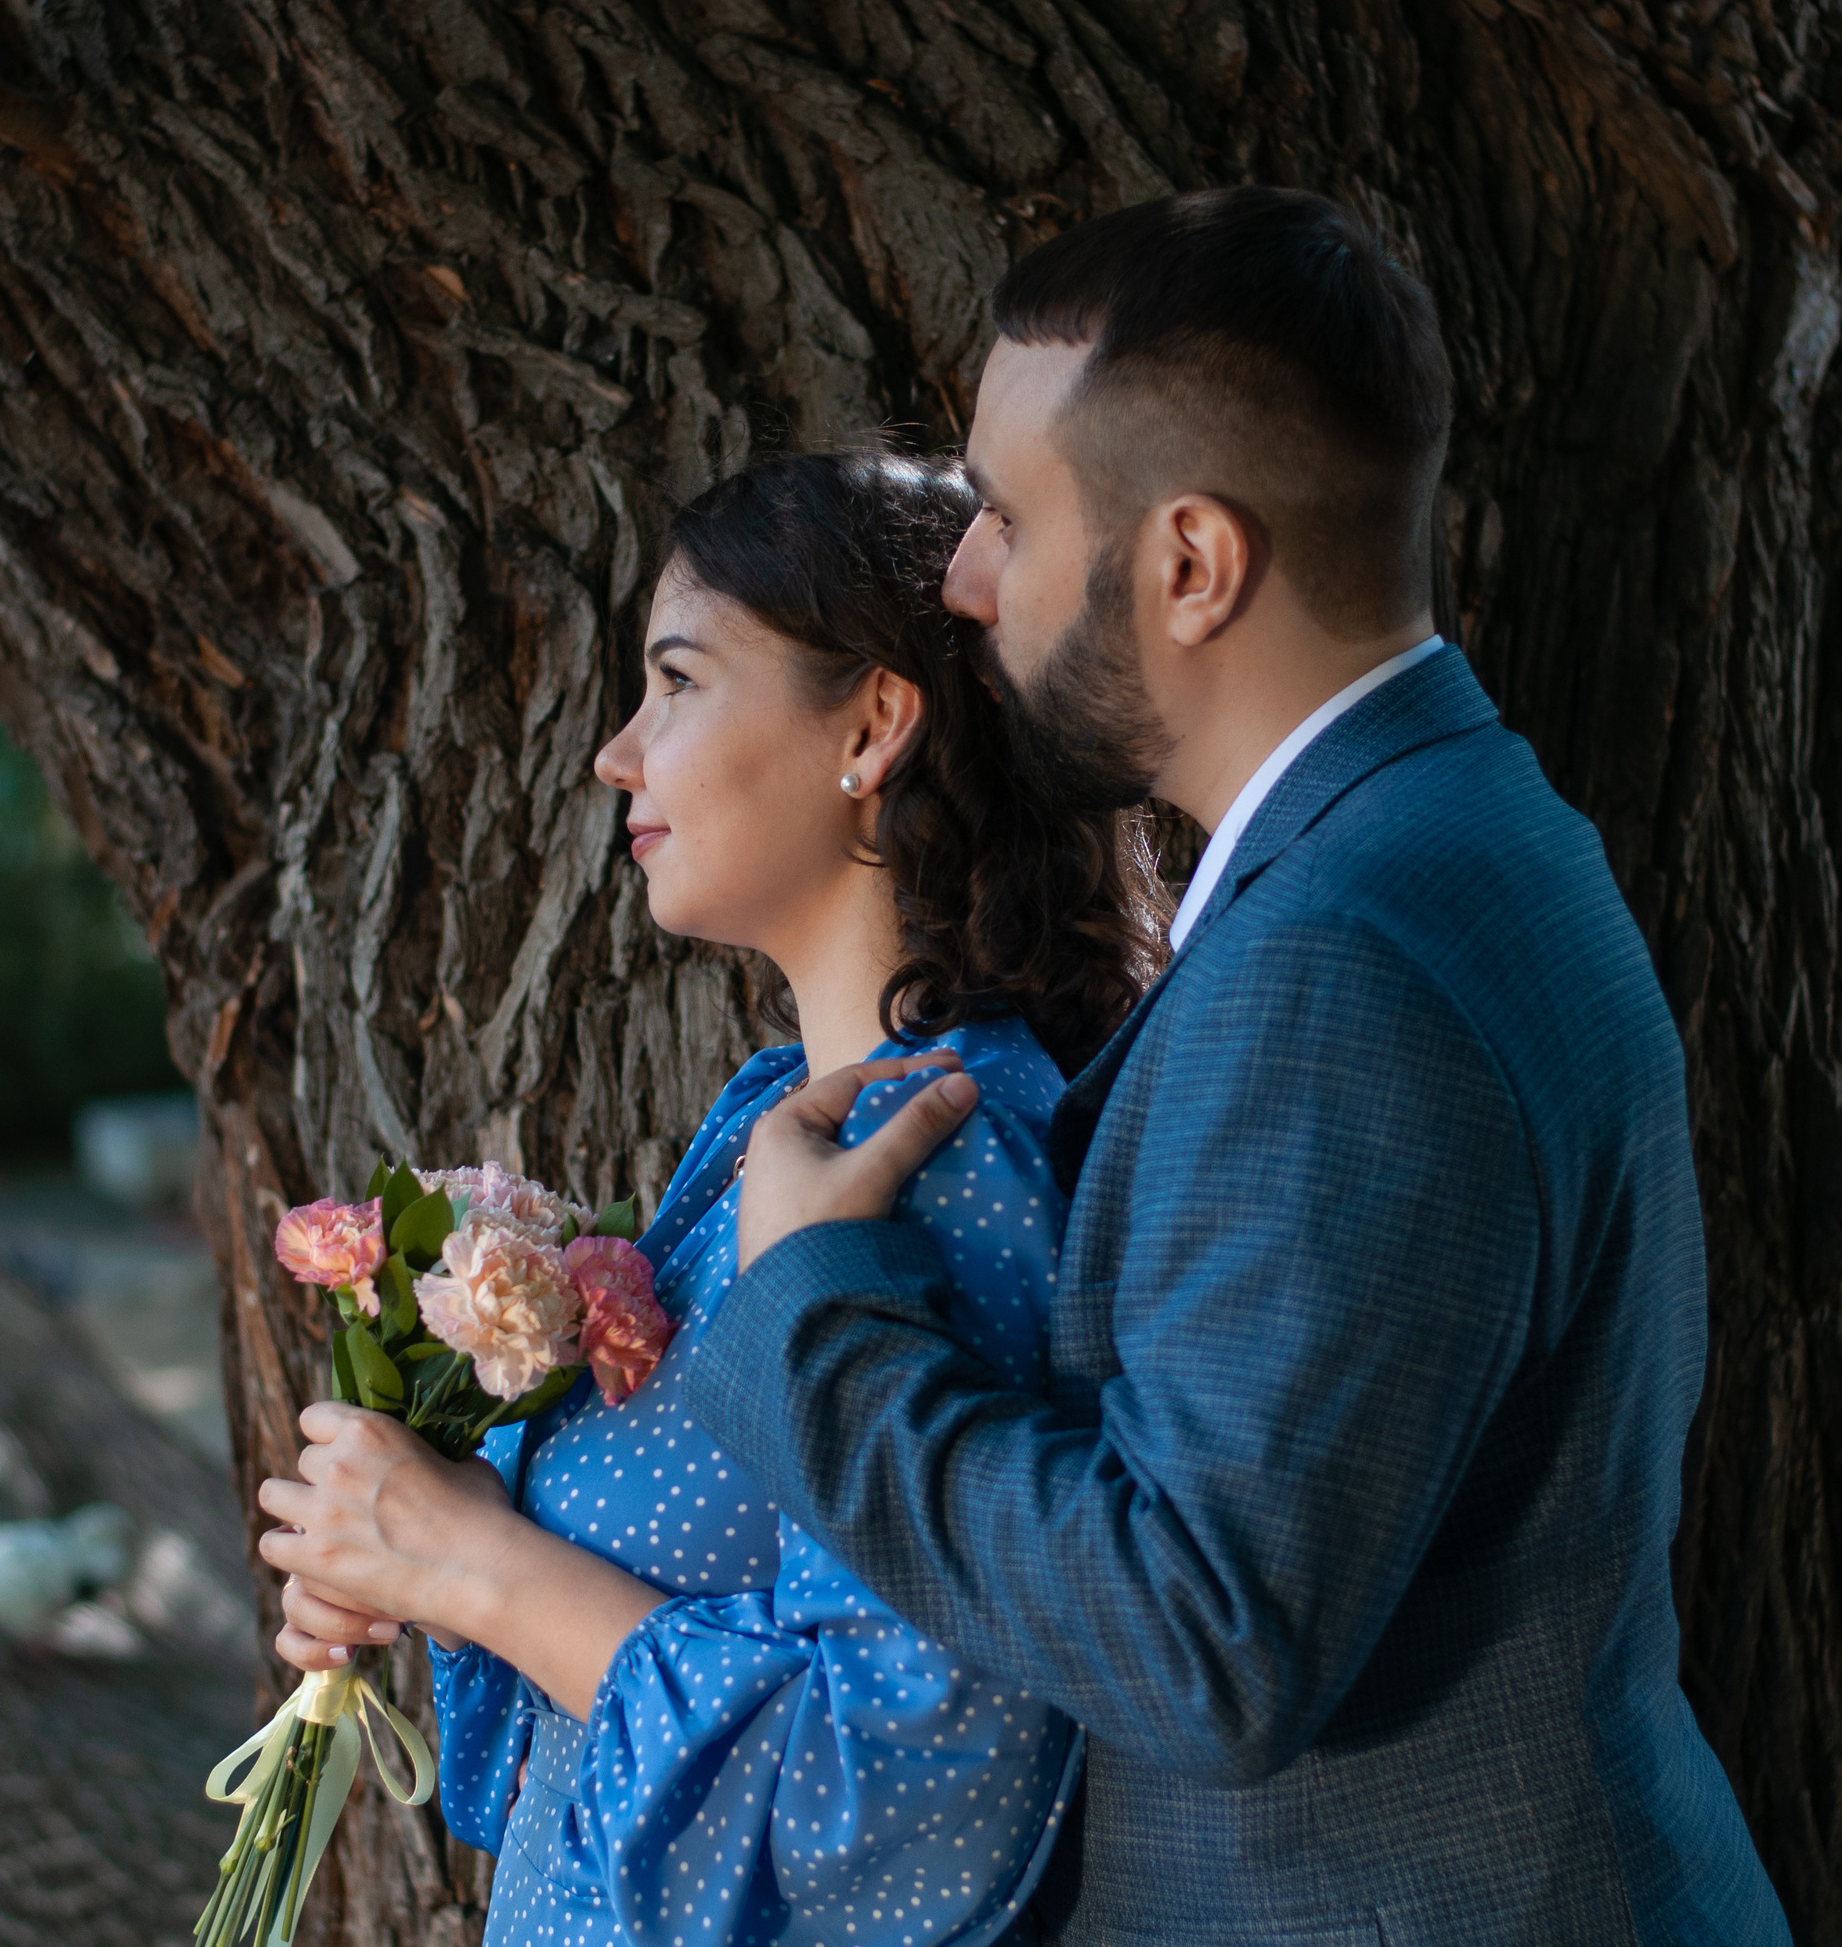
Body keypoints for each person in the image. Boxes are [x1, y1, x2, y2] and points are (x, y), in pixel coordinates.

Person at [685, 190, 1793, 1943]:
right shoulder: (1458, 823)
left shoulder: (1341, 959)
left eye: (1010, 518)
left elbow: (1204, 1633)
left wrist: (817, 1316)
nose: (965, 580)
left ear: (1192, 563)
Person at [250, 450, 1164, 1947]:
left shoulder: (946, 1155)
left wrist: (473, 1563)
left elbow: (916, 1785)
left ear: (870, 723)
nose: (618, 752)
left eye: (676, 681)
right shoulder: (772, 1118)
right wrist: (406, 1542)